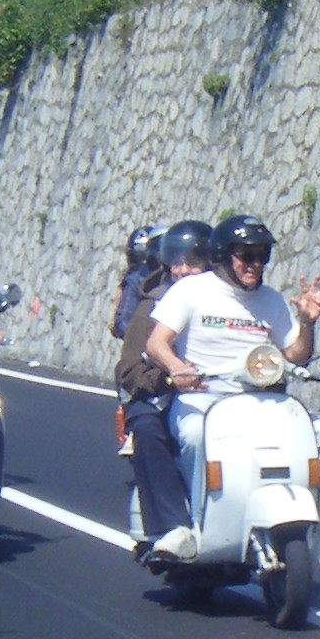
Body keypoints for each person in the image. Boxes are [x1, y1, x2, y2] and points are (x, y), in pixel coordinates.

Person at [140, 215, 320, 561]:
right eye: (246, 256)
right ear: (223, 256)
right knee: (195, 435)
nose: (256, 264)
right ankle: (190, 527)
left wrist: (306, 322)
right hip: (203, 398)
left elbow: (296, 356)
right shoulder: (191, 290)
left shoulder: (271, 300)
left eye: (262, 256)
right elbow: (156, 343)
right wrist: (179, 369)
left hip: (261, 400)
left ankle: (313, 529)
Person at [118, 221, 213, 543]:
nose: (184, 270)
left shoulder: (231, 304)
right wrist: (170, 378)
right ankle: (172, 527)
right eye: (177, 263)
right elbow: (129, 371)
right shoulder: (152, 305)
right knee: (148, 429)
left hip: (218, 395)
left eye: (194, 263)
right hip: (158, 397)